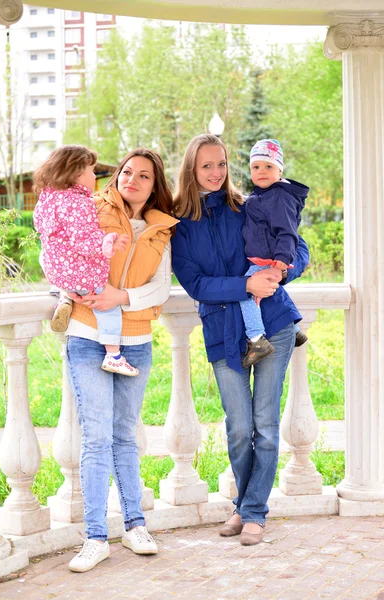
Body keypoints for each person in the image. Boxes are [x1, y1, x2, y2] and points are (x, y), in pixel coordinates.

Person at [171, 134, 309, 546]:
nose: (216, 173)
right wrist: (246, 285)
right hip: (221, 330)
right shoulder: (180, 225)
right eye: (206, 166)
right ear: (191, 170)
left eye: (222, 164)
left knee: (265, 424)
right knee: (238, 426)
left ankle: (251, 512)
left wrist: (280, 273)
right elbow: (196, 284)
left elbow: (297, 246)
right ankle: (247, 506)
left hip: (274, 324)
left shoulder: (248, 206)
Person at [65, 148, 178, 573]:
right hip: (88, 336)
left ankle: (134, 526)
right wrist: (71, 291)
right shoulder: (91, 209)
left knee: (125, 437)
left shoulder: (161, 228)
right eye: (127, 171)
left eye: (143, 175)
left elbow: (160, 289)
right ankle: (95, 537)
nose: (132, 179)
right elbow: (65, 255)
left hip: (136, 342)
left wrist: (121, 297)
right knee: (96, 439)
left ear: (154, 185)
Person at [33, 145, 138, 377]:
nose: (94, 176)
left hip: (55, 269)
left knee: (47, 254)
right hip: (80, 274)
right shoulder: (80, 203)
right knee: (107, 306)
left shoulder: (48, 198)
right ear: (75, 173)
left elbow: (41, 227)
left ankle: (64, 296)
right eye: (91, 171)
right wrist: (109, 241)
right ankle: (113, 354)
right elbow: (84, 241)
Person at [240, 138, 309, 367]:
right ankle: (295, 329)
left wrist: (281, 261)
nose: (261, 172)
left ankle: (257, 338)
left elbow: (288, 232)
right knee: (269, 292)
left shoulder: (279, 196)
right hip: (266, 258)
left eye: (268, 167)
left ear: (280, 170)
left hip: (270, 260)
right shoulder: (262, 195)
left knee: (246, 293)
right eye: (256, 167)